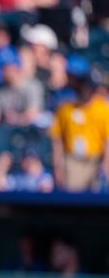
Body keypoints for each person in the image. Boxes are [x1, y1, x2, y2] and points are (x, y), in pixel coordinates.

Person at [49, 57, 109, 192]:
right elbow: (57, 139)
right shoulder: (66, 109)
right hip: (73, 160)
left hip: (95, 159)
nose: (86, 90)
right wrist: (59, 166)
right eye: (83, 86)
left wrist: (106, 163)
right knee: (72, 198)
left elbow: (107, 140)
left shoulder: (103, 109)